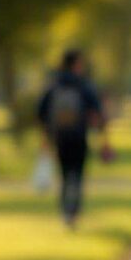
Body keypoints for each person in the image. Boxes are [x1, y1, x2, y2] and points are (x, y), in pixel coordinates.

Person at [37, 49, 111, 230]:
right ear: (76, 64)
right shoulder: (83, 86)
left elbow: (41, 113)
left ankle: (65, 211)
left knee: (63, 175)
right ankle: (74, 213)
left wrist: (46, 137)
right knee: (77, 175)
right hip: (79, 137)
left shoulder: (53, 86)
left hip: (60, 138)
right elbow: (97, 113)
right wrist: (104, 138)